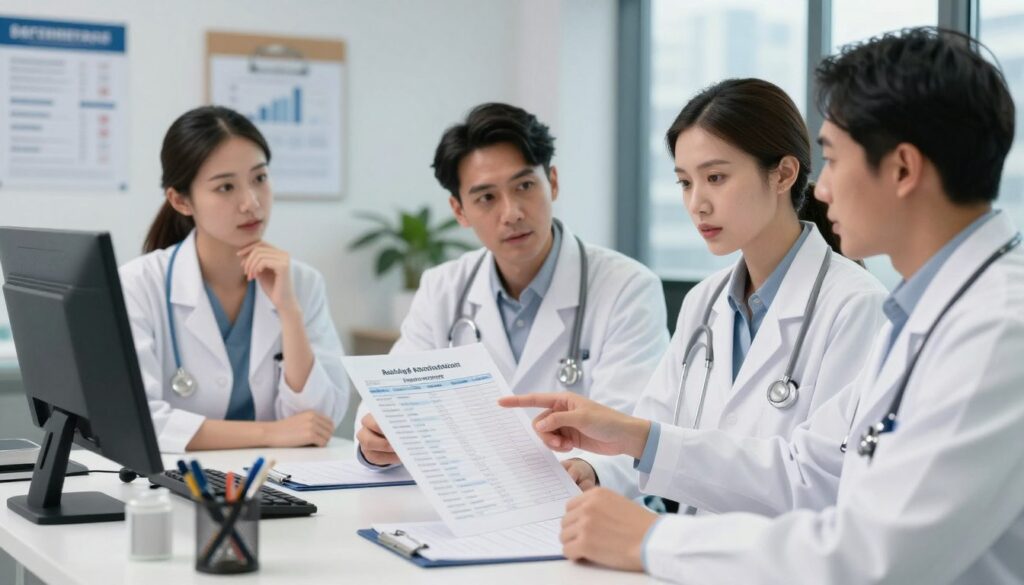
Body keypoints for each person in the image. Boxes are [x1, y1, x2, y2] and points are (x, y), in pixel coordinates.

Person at [502, 27, 1024, 584]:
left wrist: (656, 539)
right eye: (685, 181)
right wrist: (634, 439)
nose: (822, 190)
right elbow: (809, 470)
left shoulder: (996, 331)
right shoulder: (926, 315)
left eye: (834, 159)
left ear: (902, 169)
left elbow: (876, 554)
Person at [576, 78, 886, 499]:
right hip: (687, 552)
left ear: (783, 174)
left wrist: (642, 442)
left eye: (716, 177)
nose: (697, 203)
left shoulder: (856, 306)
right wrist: (593, 471)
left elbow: (825, 479)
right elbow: (651, 428)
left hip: (780, 558)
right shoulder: (703, 303)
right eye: (685, 182)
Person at [355, 102, 669, 469]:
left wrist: (590, 470)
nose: (512, 212)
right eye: (487, 198)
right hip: (472, 498)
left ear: (552, 182)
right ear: (459, 211)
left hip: (580, 505)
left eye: (524, 186)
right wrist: (375, 442)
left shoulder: (627, 288)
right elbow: (387, 404)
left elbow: (633, 430)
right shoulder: (443, 287)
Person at [120, 106, 350, 453]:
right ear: (181, 200)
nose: (251, 203)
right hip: (181, 483)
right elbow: (139, 420)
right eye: (226, 187)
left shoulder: (302, 283)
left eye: (260, 178)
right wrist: (270, 434)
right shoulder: (139, 285)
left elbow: (316, 422)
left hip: (280, 479)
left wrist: (289, 311)